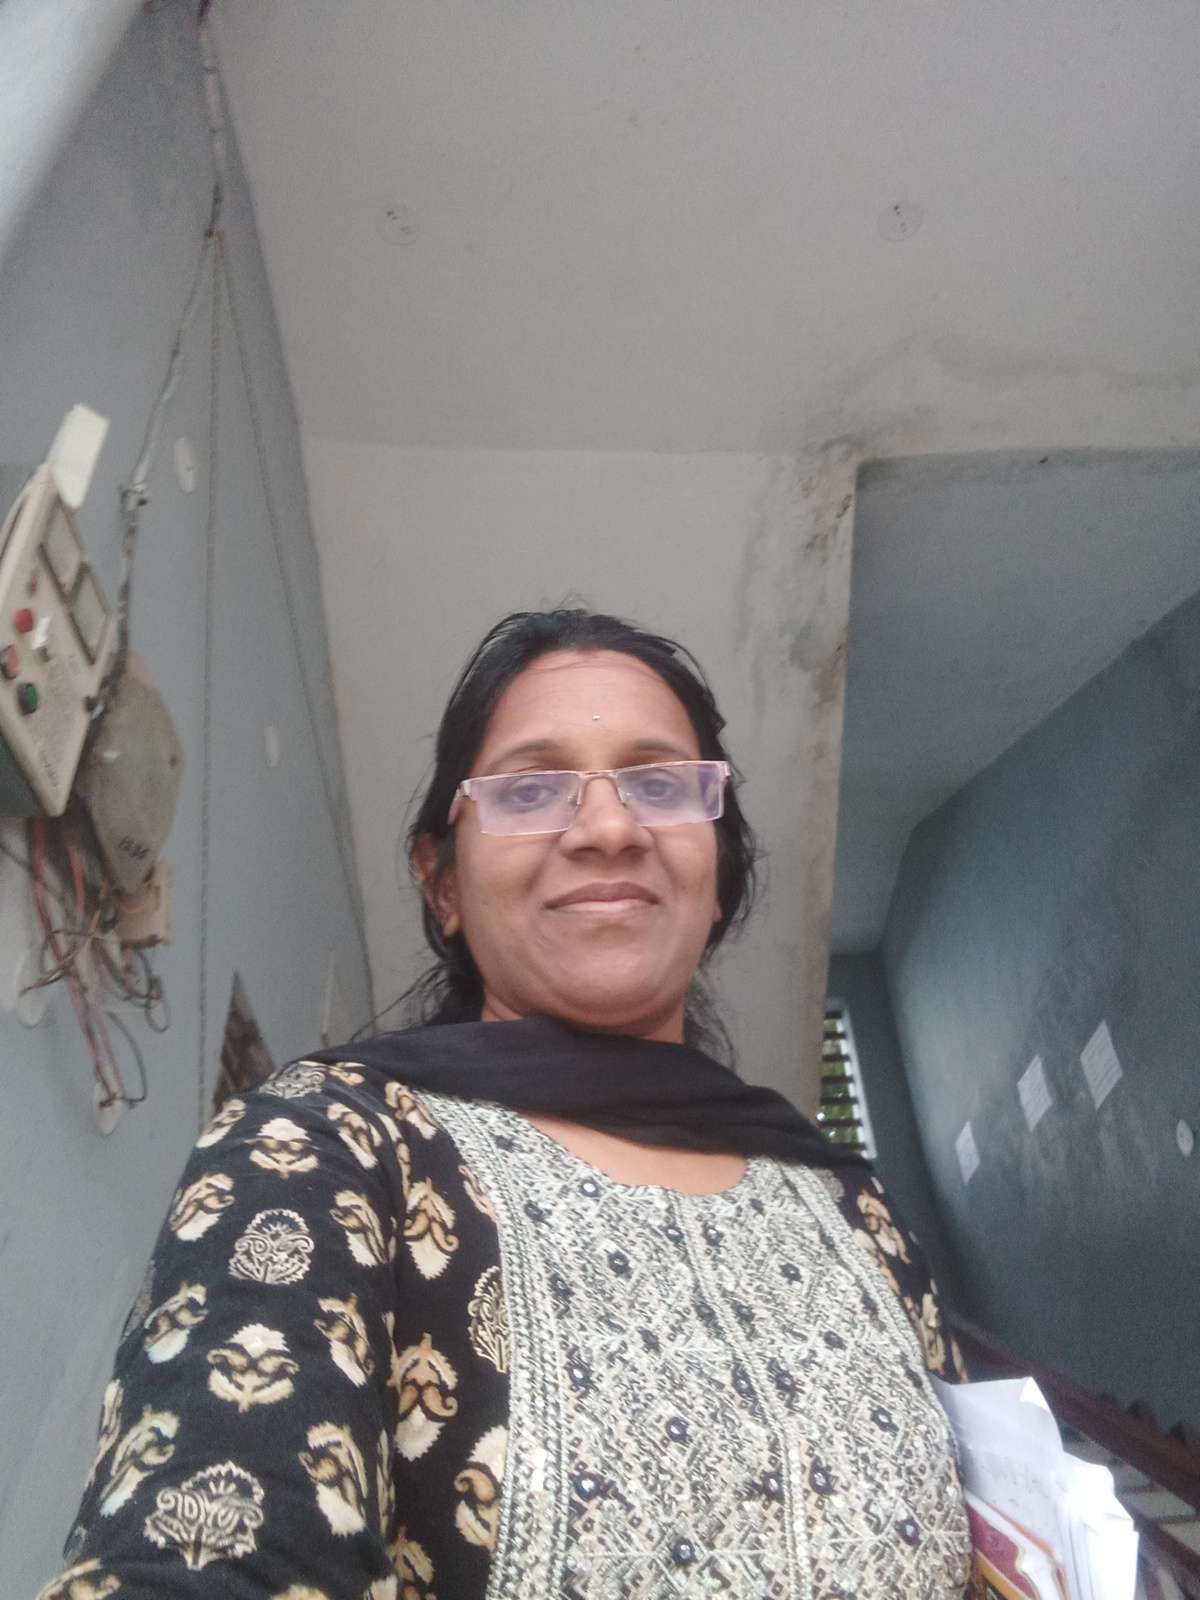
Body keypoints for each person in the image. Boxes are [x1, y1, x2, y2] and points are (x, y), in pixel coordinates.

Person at [40, 608, 972, 1600]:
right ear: (442, 883)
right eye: (531, 789)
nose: (609, 828)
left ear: (717, 876)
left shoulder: (850, 1208)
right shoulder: (333, 1142)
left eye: (661, 784)